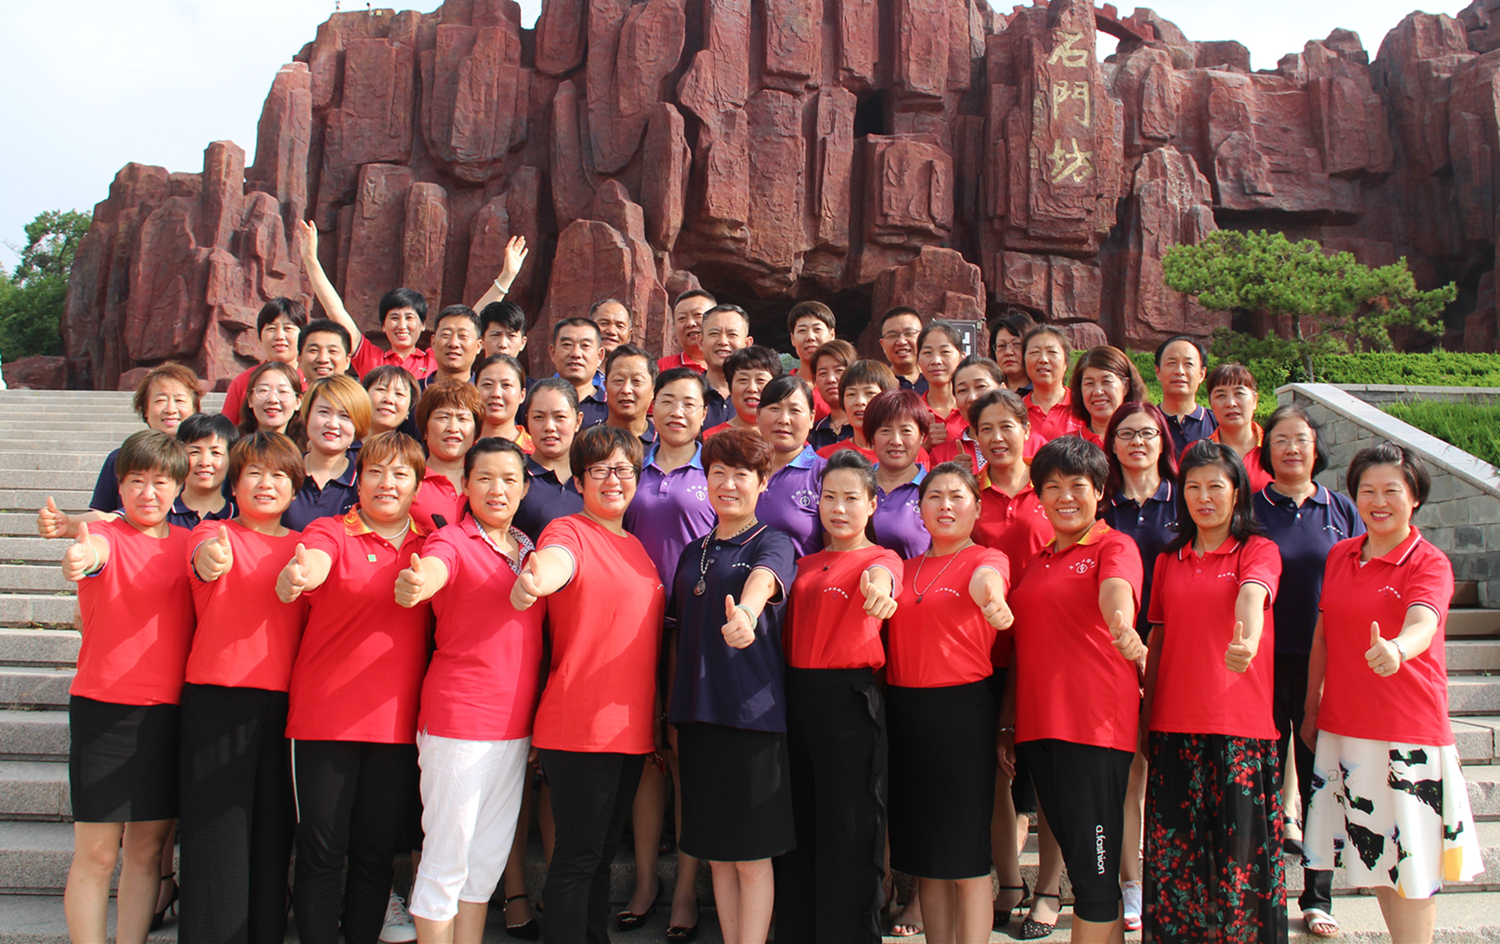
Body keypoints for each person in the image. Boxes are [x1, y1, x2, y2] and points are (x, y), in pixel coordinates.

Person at [1301, 443, 1482, 944]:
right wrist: (1312, 708)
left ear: (1415, 497)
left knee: (1413, 866)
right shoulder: (1340, 555)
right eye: (1368, 491)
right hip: (1346, 728)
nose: (1378, 502)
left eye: (1392, 491)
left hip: (1407, 734)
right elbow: (1323, 635)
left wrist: (1398, 649)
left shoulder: (1428, 562)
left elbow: (1424, 621)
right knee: (1376, 857)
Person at [507, 425, 667, 944]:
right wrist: (536, 579)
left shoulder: (637, 547)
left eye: (623, 469)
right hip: (580, 724)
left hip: (629, 730)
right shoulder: (569, 531)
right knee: (577, 858)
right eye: (599, 470)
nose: (613, 479)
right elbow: (556, 564)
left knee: (599, 857)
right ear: (579, 481)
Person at [275, 431, 433, 944]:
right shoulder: (330, 531)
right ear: (357, 482)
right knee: (322, 853)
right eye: (375, 472)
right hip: (324, 721)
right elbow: (312, 562)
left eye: (400, 474)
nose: (387, 484)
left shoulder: (430, 542)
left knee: (374, 853)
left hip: (395, 726)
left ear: (417, 486)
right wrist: (300, 574)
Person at [392, 437, 544, 944]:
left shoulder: (528, 549)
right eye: (484, 478)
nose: (497, 489)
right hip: (459, 724)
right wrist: (419, 583)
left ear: (524, 487)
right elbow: (433, 569)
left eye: (508, 479)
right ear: (465, 484)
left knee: (483, 867)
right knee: (445, 863)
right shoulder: (451, 541)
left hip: (513, 729)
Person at [1139, 440, 1286, 943]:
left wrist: (1246, 641)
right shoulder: (1169, 560)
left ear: (1238, 492)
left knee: (1241, 866)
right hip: (1173, 725)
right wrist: (1146, 716)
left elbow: (1253, 593)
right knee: (1177, 863)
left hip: (1238, 727)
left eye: (1215, 487)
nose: (1204, 498)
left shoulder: (1258, 551)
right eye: (1193, 487)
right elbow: (1158, 641)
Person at [1002, 436, 1146, 944]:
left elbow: (1116, 591)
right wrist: (1007, 724)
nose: (1065, 496)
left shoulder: (1114, 545)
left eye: (1077, 485)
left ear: (1099, 490)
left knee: (1094, 877)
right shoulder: (1039, 560)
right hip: (1041, 728)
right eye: (1052, 486)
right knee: (1087, 873)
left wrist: (1121, 623)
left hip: (1093, 728)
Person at [59, 430, 195, 944]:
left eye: (160, 482)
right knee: (96, 853)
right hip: (103, 709)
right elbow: (88, 555)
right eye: (136, 481)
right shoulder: (105, 536)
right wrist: (78, 557)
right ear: (119, 486)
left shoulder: (190, 543)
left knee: (145, 850)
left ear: (178, 487)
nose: (148, 493)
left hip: (167, 713)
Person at [667, 429, 799, 944]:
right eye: (718, 472)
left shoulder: (772, 541)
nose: (728, 484)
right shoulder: (692, 551)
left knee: (751, 854)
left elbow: (763, 581)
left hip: (751, 716)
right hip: (697, 714)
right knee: (718, 853)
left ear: (762, 482)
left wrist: (745, 612)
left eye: (741, 474)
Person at [177, 431, 309, 943]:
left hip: (285, 707)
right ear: (234, 483)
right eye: (254, 473)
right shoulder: (214, 533)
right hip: (217, 700)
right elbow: (203, 557)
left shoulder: (304, 547)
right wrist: (210, 558)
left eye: (278, 475)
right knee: (216, 835)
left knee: (273, 837)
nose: (266, 483)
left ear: (294, 488)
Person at [776, 450, 902, 944]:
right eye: (829, 497)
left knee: (850, 828)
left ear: (872, 504)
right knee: (798, 826)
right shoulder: (803, 564)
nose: (839, 508)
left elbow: (884, 583)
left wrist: (881, 593)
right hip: (796, 699)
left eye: (852, 498)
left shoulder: (881, 559)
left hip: (849, 702)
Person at [885, 462, 1013, 944]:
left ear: (976, 508)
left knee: (965, 857)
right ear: (919, 510)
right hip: (905, 713)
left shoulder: (987, 557)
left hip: (960, 715)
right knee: (929, 859)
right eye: (934, 496)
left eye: (957, 496)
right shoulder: (903, 568)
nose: (945, 505)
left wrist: (992, 601)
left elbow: (987, 583)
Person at [1253, 405, 1363, 938]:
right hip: (1260, 665)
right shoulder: (1250, 508)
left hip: (1326, 664)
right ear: (1266, 450)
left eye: (1301, 439)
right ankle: (1262, 892)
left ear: (1316, 448)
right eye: (1280, 440)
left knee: (1321, 781)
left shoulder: (1341, 508)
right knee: (1259, 779)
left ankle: (1318, 897)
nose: (1291, 448)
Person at [620, 367, 714, 939]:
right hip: (634, 628)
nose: (678, 411)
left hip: (694, 631)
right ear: (651, 408)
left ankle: (684, 890)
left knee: (683, 757)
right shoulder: (631, 466)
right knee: (645, 755)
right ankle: (645, 881)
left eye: (690, 403)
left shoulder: (715, 469)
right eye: (668, 400)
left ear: (705, 414)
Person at [965, 388, 1051, 933]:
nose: (997, 438)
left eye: (1007, 426)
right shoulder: (969, 493)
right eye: (986, 429)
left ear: (1026, 429)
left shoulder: (1053, 486)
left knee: (1046, 771)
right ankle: (1011, 881)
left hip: (1048, 649)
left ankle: (1049, 889)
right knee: (996, 772)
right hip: (986, 650)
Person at [1097, 401, 1179, 931]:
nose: (1137, 443)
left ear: (1163, 439)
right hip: (1116, 649)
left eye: (1147, 433)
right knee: (1131, 776)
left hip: (1180, 649)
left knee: (1172, 770)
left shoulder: (1186, 497)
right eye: (1126, 434)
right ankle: (1132, 883)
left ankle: (1172, 876)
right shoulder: (1101, 506)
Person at [299, 220, 437, 380]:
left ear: (423, 325)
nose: (401, 325)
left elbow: (463, 329)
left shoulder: (435, 359)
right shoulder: (371, 358)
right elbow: (335, 310)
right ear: (384, 326)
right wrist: (310, 260)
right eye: (394, 318)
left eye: (409, 318)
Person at [71, 362, 200, 531]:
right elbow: (99, 517)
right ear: (145, 409)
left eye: (179, 400)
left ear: (195, 408)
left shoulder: (205, 462)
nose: (170, 409)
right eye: (160, 400)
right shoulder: (121, 458)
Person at [284, 374, 371, 531]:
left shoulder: (365, 483)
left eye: (344, 416)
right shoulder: (284, 474)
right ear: (308, 415)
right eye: (324, 412)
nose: (332, 424)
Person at [754, 376, 827, 557]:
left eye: (795, 410)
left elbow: (836, 550)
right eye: (774, 409)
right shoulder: (742, 468)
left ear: (811, 418)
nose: (784, 419)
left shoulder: (825, 475)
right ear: (758, 414)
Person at [513, 378, 584, 542]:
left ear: (578, 421)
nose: (549, 427)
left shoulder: (593, 476)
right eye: (538, 417)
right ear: (527, 421)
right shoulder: (515, 476)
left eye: (560, 417)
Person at [409, 380, 483, 532]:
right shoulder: (409, 481)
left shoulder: (486, 480)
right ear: (425, 429)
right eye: (443, 417)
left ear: (475, 432)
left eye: (463, 419)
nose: (453, 428)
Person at [221, 297, 306, 425]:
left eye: (288, 328)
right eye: (271, 329)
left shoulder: (312, 380)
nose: (279, 336)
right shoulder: (243, 381)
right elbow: (227, 429)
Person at [866, 390, 931, 559]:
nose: (896, 441)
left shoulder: (933, 490)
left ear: (922, 437)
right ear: (872, 438)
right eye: (885, 431)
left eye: (906, 431)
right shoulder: (857, 484)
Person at [930, 356, 1017, 472]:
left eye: (981, 386)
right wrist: (956, 477)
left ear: (1003, 389)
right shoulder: (941, 455)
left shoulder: (1033, 443)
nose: (972, 398)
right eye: (962, 390)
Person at [817, 359, 900, 462]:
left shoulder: (908, 454)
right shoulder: (825, 457)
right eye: (851, 394)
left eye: (870, 393)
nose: (859, 402)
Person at [1208, 362, 1272, 491]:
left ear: (1254, 400)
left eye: (1239, 393)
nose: (1231, 403)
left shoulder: (1274, 448)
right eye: (1221, 395)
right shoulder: (1200, 453)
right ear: (1211, 405)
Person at [172, 413, 240, 528]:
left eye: (216, 453)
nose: (204, 462)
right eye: (195, 452)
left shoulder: (241, 517)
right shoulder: (162, 513)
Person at [1070, 347, 1147, 448]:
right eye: (1089, 383)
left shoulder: (1144, 441)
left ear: (1126, 386)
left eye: (1106, 382)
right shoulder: (1068, 446)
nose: (1098, 392)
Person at [1154, 335, 1217, 455]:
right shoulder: (1147, 423)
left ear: (1201, 374)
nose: (1180, 371)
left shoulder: (1217, 424)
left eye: (1188, 364)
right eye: (1172, 363)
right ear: (1158, 372)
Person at [1020, 326, 1084, 443]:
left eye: (1052, 352)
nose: (1043, 359)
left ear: (1065, 363)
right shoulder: (1016, 411)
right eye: (1034, 352)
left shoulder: (1083, 405)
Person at [704, 345, 782, 438]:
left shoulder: (786, 437)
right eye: (743, 380)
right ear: (730, 388)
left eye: (760, 380)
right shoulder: (712, 438)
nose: (752, 388)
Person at [548, 317, 609, 428]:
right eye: (567, 344)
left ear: (600, 356)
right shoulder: (538, 401)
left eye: (585, 345)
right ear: (553, 353)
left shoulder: (611, 408)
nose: (576, 354)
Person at [700, 304, 754, 428]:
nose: (723, 341)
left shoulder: (761, 396)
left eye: (732, 334)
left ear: (747, 344)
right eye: (714, 333)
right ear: (701, 342)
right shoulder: (690, 393)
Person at [915, 321, 965, 449]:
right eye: (927, 353)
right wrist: (926, 446)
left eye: (945, 352)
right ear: (918, 361)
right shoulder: (911, 412)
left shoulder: (971, 409)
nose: (936, 361)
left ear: (962, 358)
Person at [786, 300, 836, 417]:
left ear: (832, 335)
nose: (810, 337)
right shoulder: (782, 388)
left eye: (817, 329)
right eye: (802, 330)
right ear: (792, 339)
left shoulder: (844, 384)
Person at [808, 339, 858, 451]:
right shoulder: (812, 433)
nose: (831, 379)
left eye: (839, 371)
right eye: (823, 373)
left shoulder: (867, 428)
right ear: (815, 381)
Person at [603, 343, 657, 447]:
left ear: (653, 390)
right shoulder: (588, 442)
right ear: (605, 387)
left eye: (637, 381)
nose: (626, 390)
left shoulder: (665, 444)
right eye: (618, 380)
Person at [475, 353, 532, 450]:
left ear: (522, 395)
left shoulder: (536, 451)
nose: (496, 393)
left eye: (506, 385)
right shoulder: (460, 448)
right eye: (487, 384)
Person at [237, 361, 303, 439]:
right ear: (250, 399)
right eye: (264, 390)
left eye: (283, 391)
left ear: (298, 402)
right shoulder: (232, 444)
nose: (272, 399)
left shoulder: (309, 444)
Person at [422, 305, 483, 388]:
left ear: (478, 346)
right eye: (446, 335)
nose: (453, 343)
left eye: (463, 336)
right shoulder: (412, 391)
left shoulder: (486, 392)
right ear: (433, 342)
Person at [658, 289, 715, 372]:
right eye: (682, 318)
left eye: (698, 314)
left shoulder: (732, 365)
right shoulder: (662, 367)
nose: (690, 323)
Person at [876, 307, 926, 394]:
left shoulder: (936, 380)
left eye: (909, 333)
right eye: (892, 336)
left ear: (923, 338)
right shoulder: (877, 385)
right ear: (882, 344)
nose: (901, 342)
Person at [364, 365, 419, 437]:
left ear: (408, 411)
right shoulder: (348, 441)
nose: (388, 399)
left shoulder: (412, 445)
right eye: (381, 389)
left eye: (399, 394)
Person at [990, 309, 1036, 394]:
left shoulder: (1042, 393)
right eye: (1001, 346)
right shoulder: (989, 395)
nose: (1008, 352)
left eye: (1017, 344)